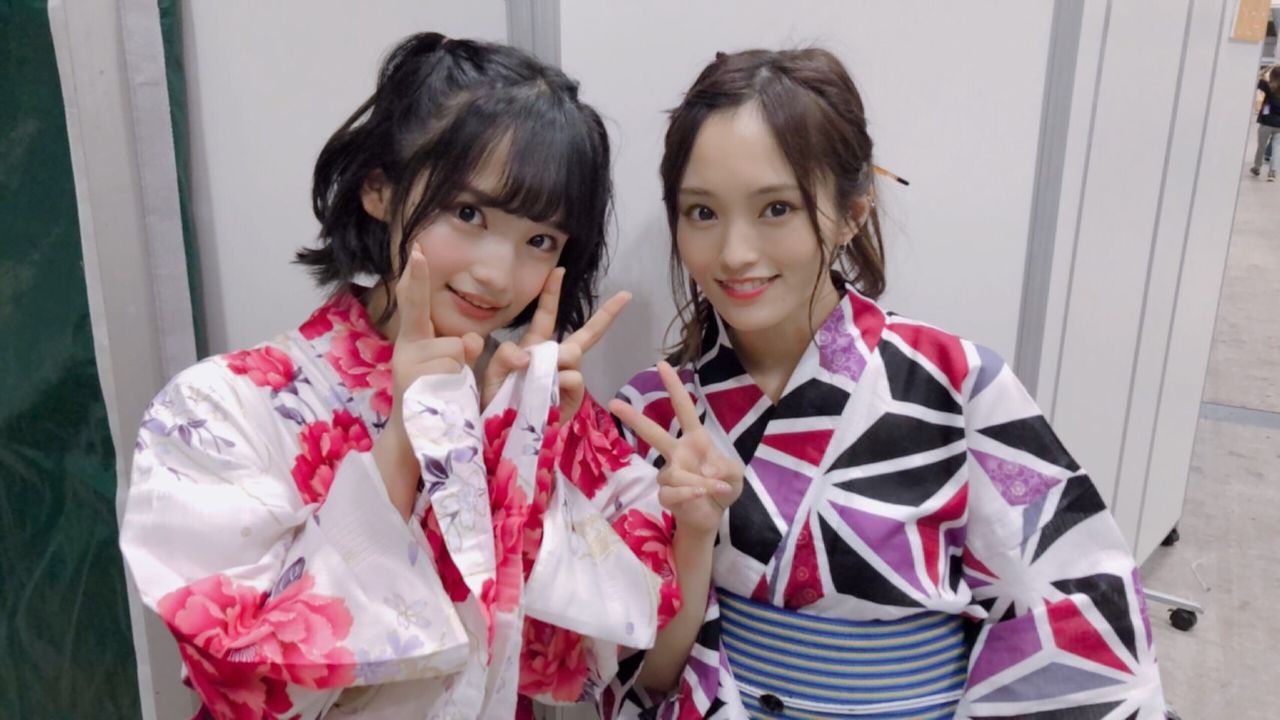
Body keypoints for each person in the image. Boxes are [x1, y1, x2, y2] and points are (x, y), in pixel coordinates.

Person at [119, 32, 685, 719]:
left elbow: (601, 645)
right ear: (379, 189)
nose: (496, 273)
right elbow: (247, 680)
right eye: (468, 213)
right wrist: (402, 448)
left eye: (540, 240)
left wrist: (523, 460)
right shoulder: (219, 407)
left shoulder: (534, 405)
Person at [604, 48, 1166, 718]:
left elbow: (1075, 615)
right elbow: (644, 676)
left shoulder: (955, 385)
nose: (734, 253)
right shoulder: (651, 411)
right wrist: (693, 535)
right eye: (702, 212)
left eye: (776, 208)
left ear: (852, 212)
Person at [1250, 65, 1280, 181]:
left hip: (1266, 123)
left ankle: (1257, 167)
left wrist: (1267, 68)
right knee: (1276, 149)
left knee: (1261, 147)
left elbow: (1257, 77)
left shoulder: (1268, 86)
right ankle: (1272, 173)